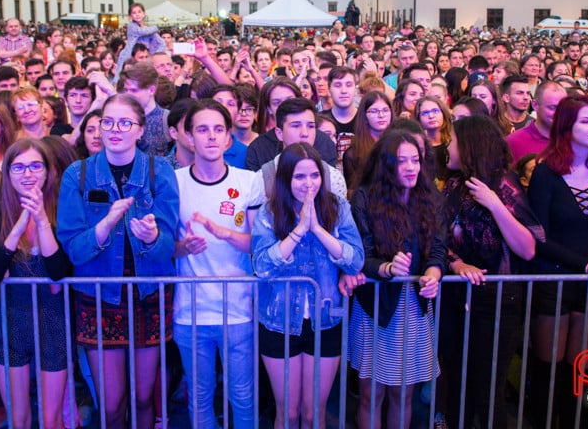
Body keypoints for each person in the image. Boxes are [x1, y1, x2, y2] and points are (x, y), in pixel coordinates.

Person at [56, 94, 179, 429]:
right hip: (99, 296)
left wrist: (152, 237)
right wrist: (105, 225)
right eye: (108, 122)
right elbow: (73, 249)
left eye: (125, 123)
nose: (114, 129)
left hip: (147, 297)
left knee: (143, 398)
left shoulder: (160, 171)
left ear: (140, 130)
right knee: (110, 404)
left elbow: (168, 247)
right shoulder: (77, 174)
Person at [527, 96, 588, 428]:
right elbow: (540, 238)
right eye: (586, 121)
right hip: (554, 280)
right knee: (548, 371)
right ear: (566, 127)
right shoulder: (546, 174)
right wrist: (586, 265)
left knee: (580, 371)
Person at [252, 142, 364, 429]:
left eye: (314, 175)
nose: (309, 183)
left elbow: (355, 260)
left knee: (314, 413)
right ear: (286, 178)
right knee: (287, 414)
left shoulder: (337, 208)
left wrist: (317, 229)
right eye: (300, 177)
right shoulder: (269, 212)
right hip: (278, 322)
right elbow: (261, 266)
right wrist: (299, 230)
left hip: (325, 321)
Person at [439, 115, 542, 429]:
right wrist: (455, 264)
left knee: (488, 385)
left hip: (497, 300)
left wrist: (495, 204)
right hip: (458, 296)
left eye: (453, 140)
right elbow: (439, 239)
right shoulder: (454, 185)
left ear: (469, 147)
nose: (447, 145)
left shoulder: (504, 184)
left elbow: (528, 247)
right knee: (456, 380)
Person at [173, 100, 264, 429]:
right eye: (202, 129)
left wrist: (222, 233)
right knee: (199, 396)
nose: (210, 137)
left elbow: (259, 244)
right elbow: (164, 249)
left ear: (228, 139)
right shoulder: (175, 182)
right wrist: (185, 247)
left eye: (218, 130)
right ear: (188, 137)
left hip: (238, 309)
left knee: (242, 395)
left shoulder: (249, 180)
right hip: (190, 311)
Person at [349, 130, 445, 429]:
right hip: (376, 306)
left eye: (415, 160)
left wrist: (433, 272)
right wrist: (387, 268)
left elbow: (438, 248)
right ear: (386, 164)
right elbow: (359, 254)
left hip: (415, 306)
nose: (410, 167)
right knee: (371, 394)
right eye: (401, 161)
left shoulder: (429, 196)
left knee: (403, 395)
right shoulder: (365, 196)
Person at [0, 139, 72, 429]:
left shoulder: (62, 213)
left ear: (48, 172)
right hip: (11, 322)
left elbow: (59, 271)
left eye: (35, 166)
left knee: (51, 419)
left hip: (53, 322)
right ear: (6, 173)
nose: (27, 173)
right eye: (18, 167)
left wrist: (42, 220)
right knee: (18, 419)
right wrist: (18, 226)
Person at [342, 90, 392, 191]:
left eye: (385, 110)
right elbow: (352, 193)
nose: (381, 115)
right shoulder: (353, 154)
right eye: (374, 111)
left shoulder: (399, 145)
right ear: (364, 115)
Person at [506, 81, 567, 163]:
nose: (559, 113)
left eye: (563, 108)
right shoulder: (514, 142)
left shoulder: (574, 140)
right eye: (552, 108)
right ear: (535, 105)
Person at [116, 3, 166, 79]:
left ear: (144, 14)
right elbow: (142, 32)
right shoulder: (132, 26)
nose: (137, 14)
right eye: (134, 12)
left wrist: (155, 55)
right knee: (123, 76)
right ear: (130, 16)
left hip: (144, 58)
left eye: (139, 12)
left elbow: (162, 43)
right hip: (129, 56)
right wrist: (155, 28)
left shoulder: (149, 30)